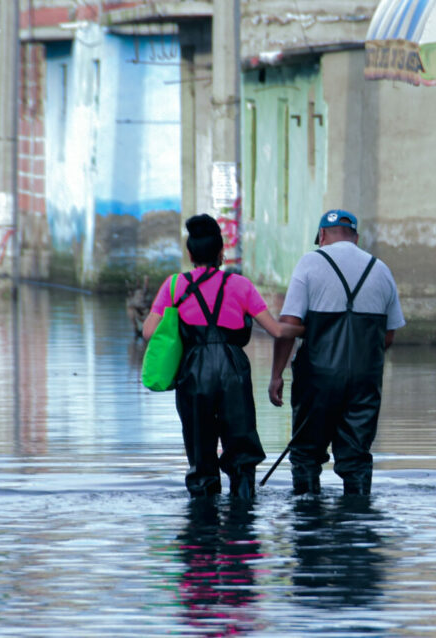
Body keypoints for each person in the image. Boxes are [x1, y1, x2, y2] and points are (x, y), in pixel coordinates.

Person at [142, 214, 304, 499]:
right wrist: (311, 328)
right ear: (221, 252)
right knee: (241, 451)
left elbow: (148, 333)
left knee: (200, 451)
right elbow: (278, 330)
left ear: (190, 253)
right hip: (233, 371)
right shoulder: (240, 285)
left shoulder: (173, 286)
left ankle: (202, 522)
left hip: (193, 373)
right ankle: (242, 518)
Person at [268, 209, 405, 496]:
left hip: (317, 379)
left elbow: (289, 324)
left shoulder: (310, 263)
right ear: (355, 237)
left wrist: (276, 375)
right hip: (364, 381)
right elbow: (389, 335)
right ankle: (356, 523)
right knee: (356, 457)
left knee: (306, 454)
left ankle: (308, 522)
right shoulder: (380, 269)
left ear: (321, 236)